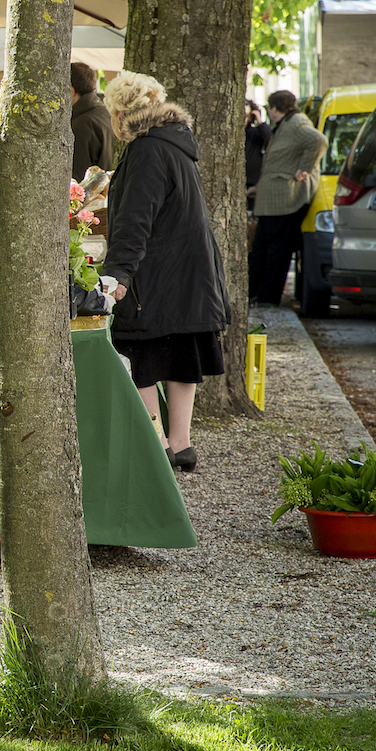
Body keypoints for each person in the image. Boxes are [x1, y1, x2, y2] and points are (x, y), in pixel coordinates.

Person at [99, 71, 230, 472]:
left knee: (141, 350)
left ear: (121, 114)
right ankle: (181, 443)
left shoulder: (146, 150)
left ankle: (155, 445)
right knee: (178, 354)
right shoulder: (174, 144)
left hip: (158, 273)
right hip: (189, 273)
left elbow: (135, 221)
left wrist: (118, 274)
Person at [249, 89, 328, 306]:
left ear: (275, 108)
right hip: (274, 199)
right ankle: (256, 292)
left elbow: (318, 141)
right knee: (262, 249)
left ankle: (267, 296)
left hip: (284, 201)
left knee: (276, 252)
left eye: (269, 108)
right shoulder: (286, 124)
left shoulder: (296, 124)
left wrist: (303, 169)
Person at [70, 61, 113, 181]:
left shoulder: (81, 125)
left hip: (92, 195)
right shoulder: (106, 112)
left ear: (71, 91)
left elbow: (78, 180)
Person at [244, 99, 271, 211]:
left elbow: (270, 139)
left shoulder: (255, 133)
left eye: (245, 116)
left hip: (252, 185)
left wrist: (260, 122)